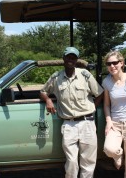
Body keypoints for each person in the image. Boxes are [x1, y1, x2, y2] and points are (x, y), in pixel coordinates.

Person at [40, 46, 104, 178]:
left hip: (87, 123)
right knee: (72, 161)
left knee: (88, 162)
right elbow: (42, 91)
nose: (70, 59)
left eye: (73, 57)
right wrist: (48, 100)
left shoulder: (85, 75)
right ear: (63, 58)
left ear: (76, 60)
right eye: (68, 57)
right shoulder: (56, 77)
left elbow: (100, 93)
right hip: (69, 125)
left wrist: (91, 109)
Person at [102, 50, 126, 178]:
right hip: (115, 123)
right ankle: (118, 156)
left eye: (115, 63)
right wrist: (108, 121)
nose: (112, 66)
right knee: (109, 149)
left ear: (122, 63)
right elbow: (106, 104)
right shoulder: (106, 82)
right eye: (109, 64)